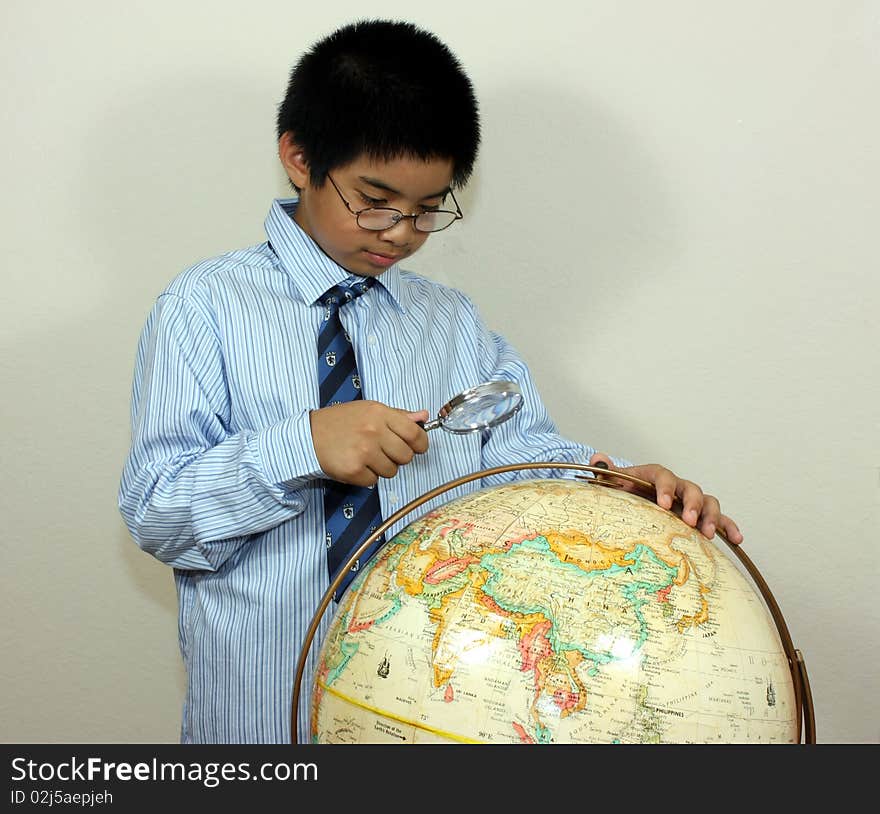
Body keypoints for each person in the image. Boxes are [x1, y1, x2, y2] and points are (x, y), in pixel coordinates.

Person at [118, 18, 743, 745]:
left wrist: (619, 492)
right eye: (375, 200)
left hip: (429, 712)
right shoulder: (202, 309)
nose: (399, 233)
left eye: (426, 210)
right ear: (299, 157)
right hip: (258, 723)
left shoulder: (451, 325)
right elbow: (158, 516)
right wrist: (302, 446)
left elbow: (526, 470)